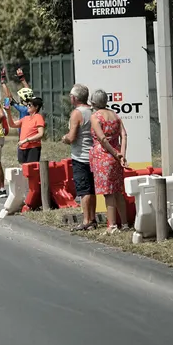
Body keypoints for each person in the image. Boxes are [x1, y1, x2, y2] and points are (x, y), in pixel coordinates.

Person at [89, 89, 130, 233]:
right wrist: (121, 155)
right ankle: (124, 223)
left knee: (108, 192)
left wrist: (114, 153)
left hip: (103, 156)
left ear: (93, 103)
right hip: (116, 156)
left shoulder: (95, 117)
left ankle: (112, 226)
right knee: (118, 191)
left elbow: (102, 139)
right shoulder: (115, 115)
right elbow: (124, 135)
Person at [62, 84, 96, 231]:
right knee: (92, 189)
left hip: (81, 156)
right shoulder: (93, 110)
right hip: (94, 155)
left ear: (75, 98)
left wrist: (65, 138)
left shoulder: (77, 113)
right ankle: (92, 219)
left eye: (71, 96)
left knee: (84, 190)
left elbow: (72, 136)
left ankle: (86, 220)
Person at [7, 96, 45, 165]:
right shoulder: (25, 118)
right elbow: (12, 125)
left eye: (30, 105)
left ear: (36, 107)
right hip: (22, 148)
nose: (27, 106)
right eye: (27, 104)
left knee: (31, 170)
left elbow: (40, 134)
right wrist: (8, 112)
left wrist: (26, 140)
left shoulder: (38, 117)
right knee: (23, 170)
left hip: (33, 148)